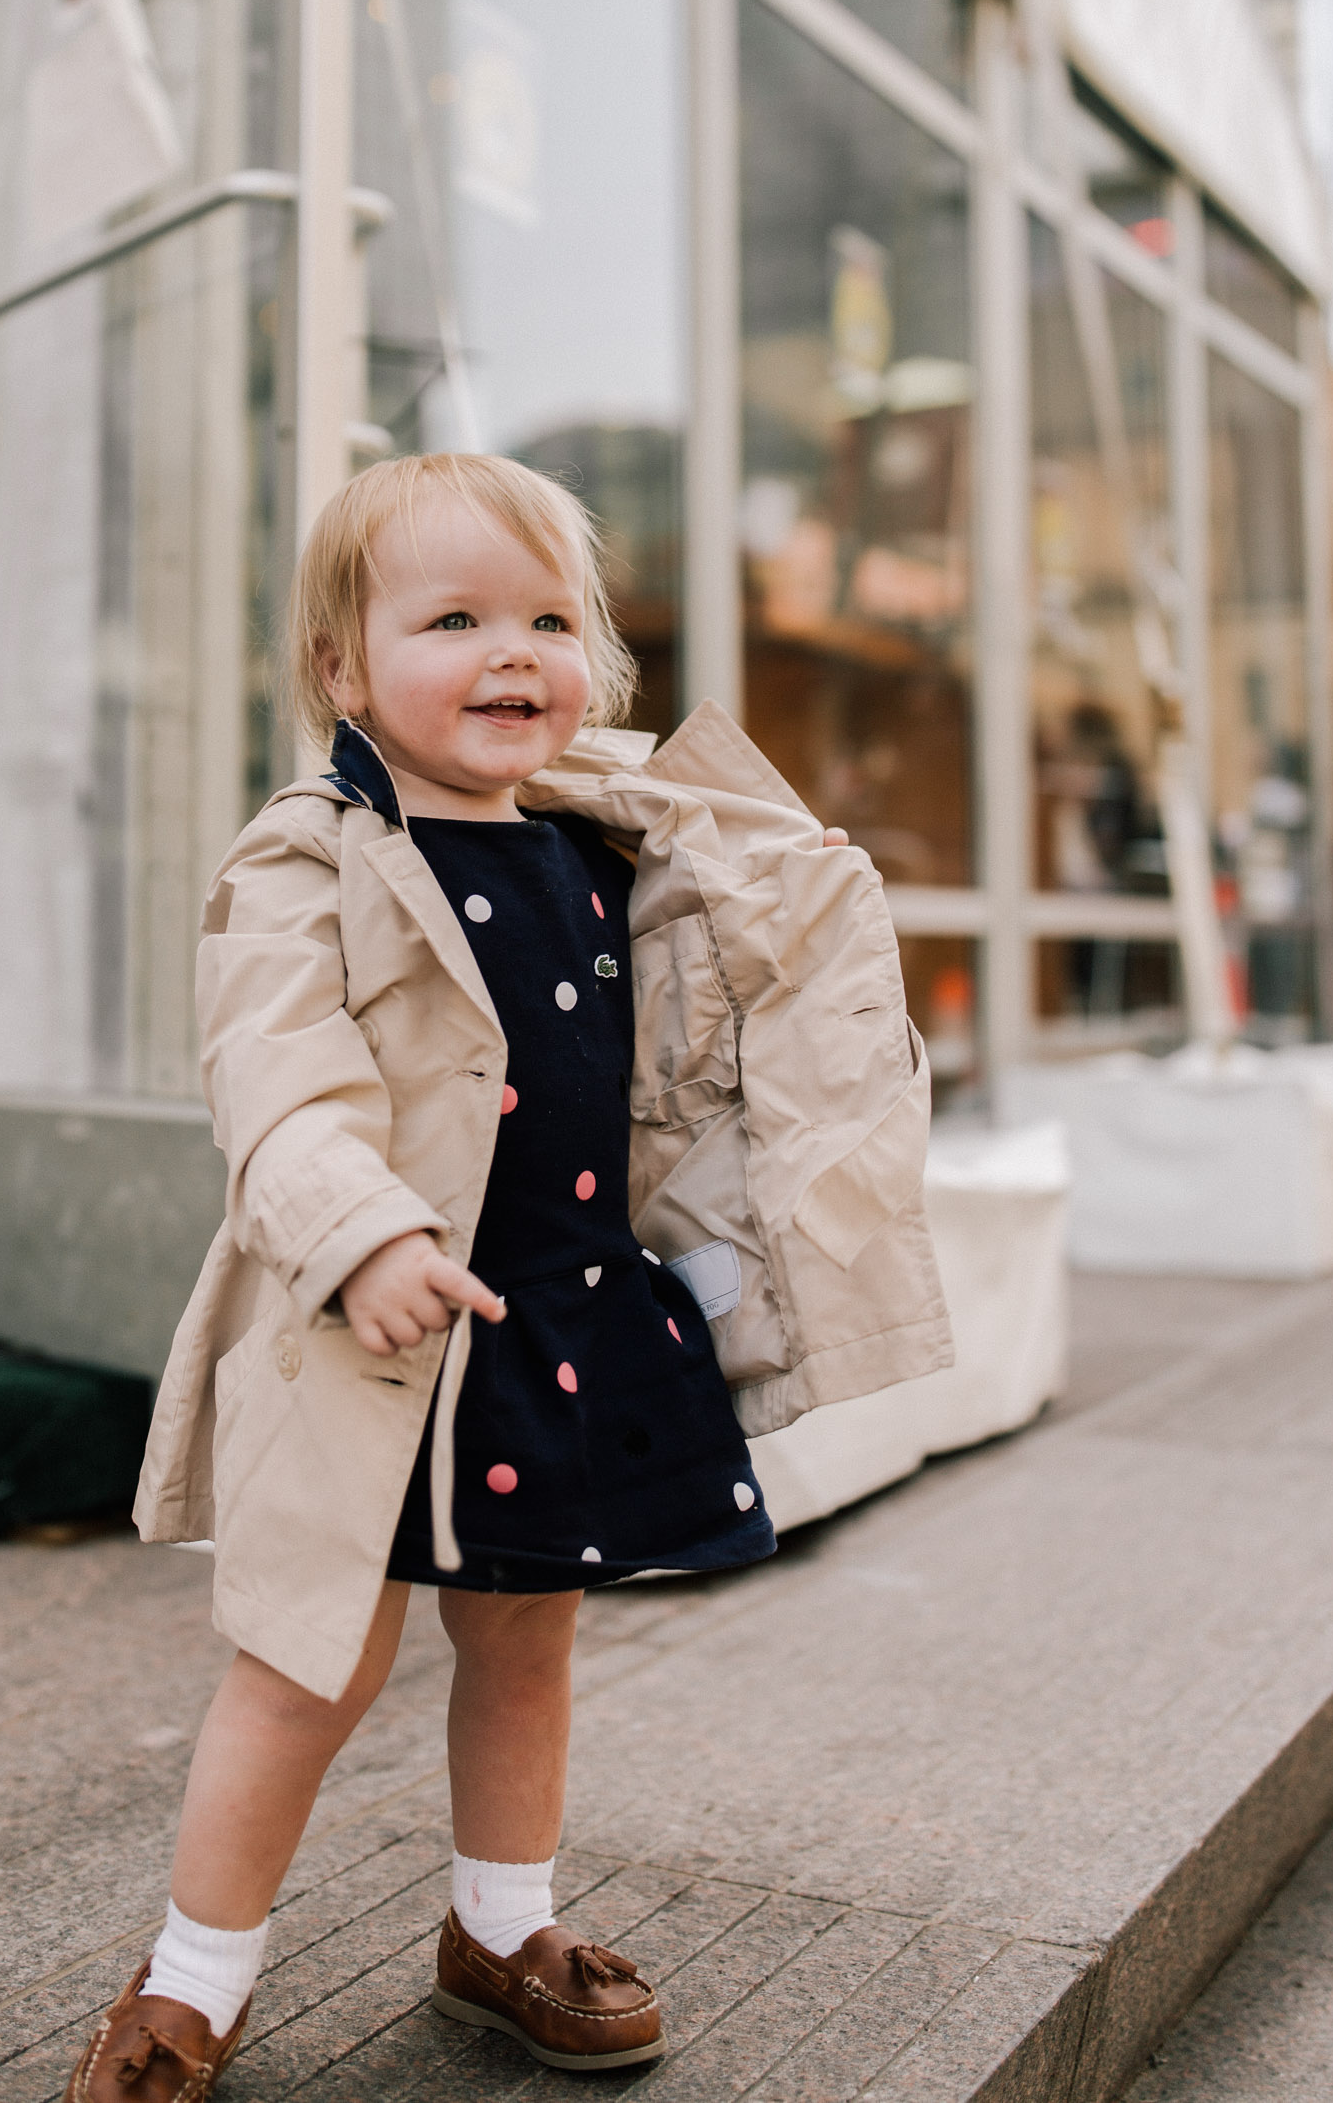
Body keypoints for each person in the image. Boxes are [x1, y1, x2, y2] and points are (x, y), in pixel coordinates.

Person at [65, 453, 947, 2095]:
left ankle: (501, 1925)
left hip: (556, 1317)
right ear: (345, 669)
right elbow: (275, 1075)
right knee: (305, 1667)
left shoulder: (608, 847)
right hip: (376, 1326)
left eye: (549, 618)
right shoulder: (308, 861)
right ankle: (192, 1982)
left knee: (529, 1642)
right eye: (454, 617)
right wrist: (363, 1231)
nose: (511, 653)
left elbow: (723, 1038)